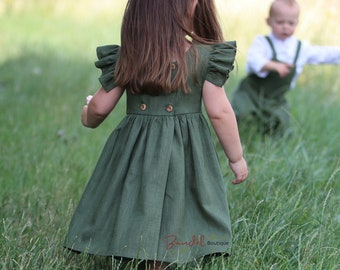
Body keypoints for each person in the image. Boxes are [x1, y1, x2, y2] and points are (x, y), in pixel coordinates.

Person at [64, 0, 248, 269]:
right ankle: (162, 256)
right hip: (185, 150)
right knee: (177, 198)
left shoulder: (130, 57)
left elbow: (100, 107)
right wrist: (237, 157)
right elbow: (219, 111)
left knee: (133, 195)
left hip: (134, 149)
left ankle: (129, 244)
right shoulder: (204, 56)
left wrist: (86, 115)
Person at [231, 0, 340, 136]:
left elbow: (323, 54)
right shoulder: (262, 42)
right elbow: (254, 60)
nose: (285, 27)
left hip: (276, 98)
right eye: (280, 22)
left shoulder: (300, 48)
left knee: (280, 121)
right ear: (269, 21)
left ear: (297, 23)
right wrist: (272, 65)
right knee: (241, 112)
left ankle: (269, 142)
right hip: (251, 92)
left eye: (291, 23)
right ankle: (234, 136)